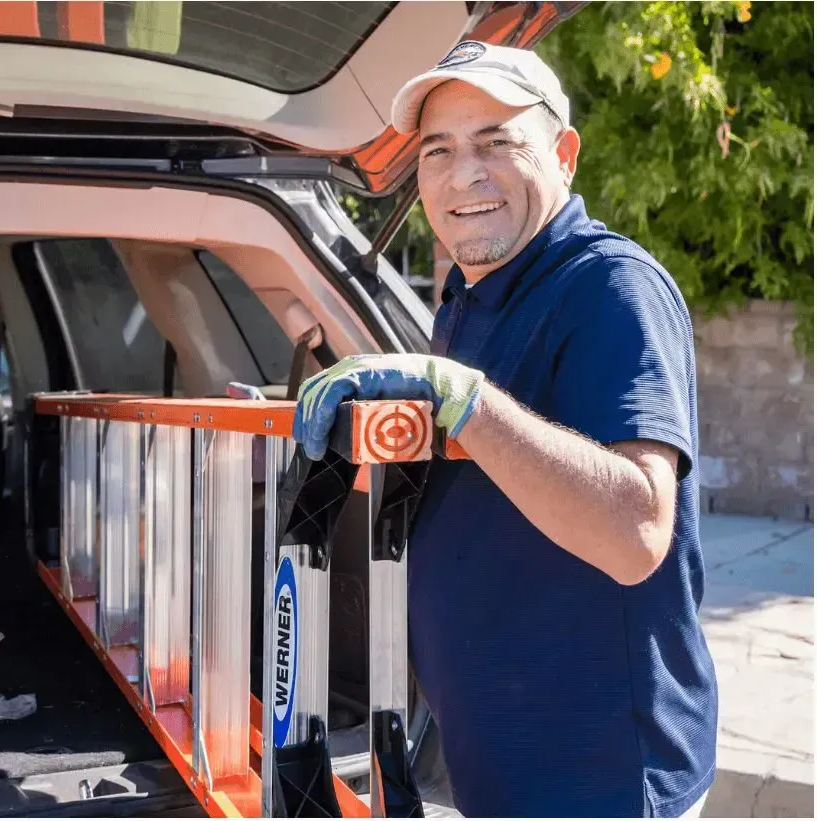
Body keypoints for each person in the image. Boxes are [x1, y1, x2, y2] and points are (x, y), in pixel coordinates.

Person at [293, 41, 717, 817]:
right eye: (438, 150)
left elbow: (635, 532)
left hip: (599, 784)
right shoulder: (469, 297)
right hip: (499, 766)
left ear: (563, 154)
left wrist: (468, 402)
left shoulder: (608, 287)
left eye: (496, 144)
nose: (464, 176)